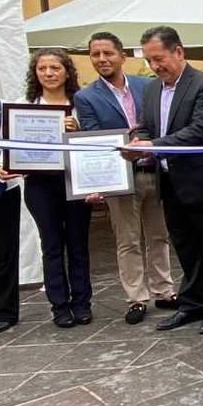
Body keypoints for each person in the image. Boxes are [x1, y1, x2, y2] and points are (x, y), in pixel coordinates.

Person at [127, 26, 203, 335]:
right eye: (149, 60)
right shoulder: (151, 89)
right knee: (184, 245)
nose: (155, 66)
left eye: (159, 58)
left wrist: (152, 145)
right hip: (169, 181)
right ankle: (192, 304)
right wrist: (137, 142)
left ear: (179, 52)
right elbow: (145, 126)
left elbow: (200, 130)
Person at [74, 31, 176, 325]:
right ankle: (137, 298)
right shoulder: (86, 97)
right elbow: (94, 136)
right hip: (120, 176)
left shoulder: (149, 85)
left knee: (159, 235)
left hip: (154, 170)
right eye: (95, 54)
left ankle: (164, 290)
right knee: (128, 240)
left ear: (122, 55)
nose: (102, 59)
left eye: (108, 53)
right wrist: (128, 138)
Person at [16, 49, 92, 328]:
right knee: (50, 244)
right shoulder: (24, 106)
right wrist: (5, 165)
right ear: (35, 73)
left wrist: (78, 131)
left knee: (78, 244)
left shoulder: (81, 103)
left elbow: (96, 141)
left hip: (75, 180)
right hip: (39, 184)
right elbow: (10, 144)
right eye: (42, 68)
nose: (48, 73)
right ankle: (59, 306)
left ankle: (82, 303)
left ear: (67, 72)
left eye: (55, 68)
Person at [0, 89, 21, 335]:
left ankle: (5, 310)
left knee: (5, 252)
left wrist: (5, 165)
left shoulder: (2, 106)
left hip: (1, 188)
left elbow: (15, 143)